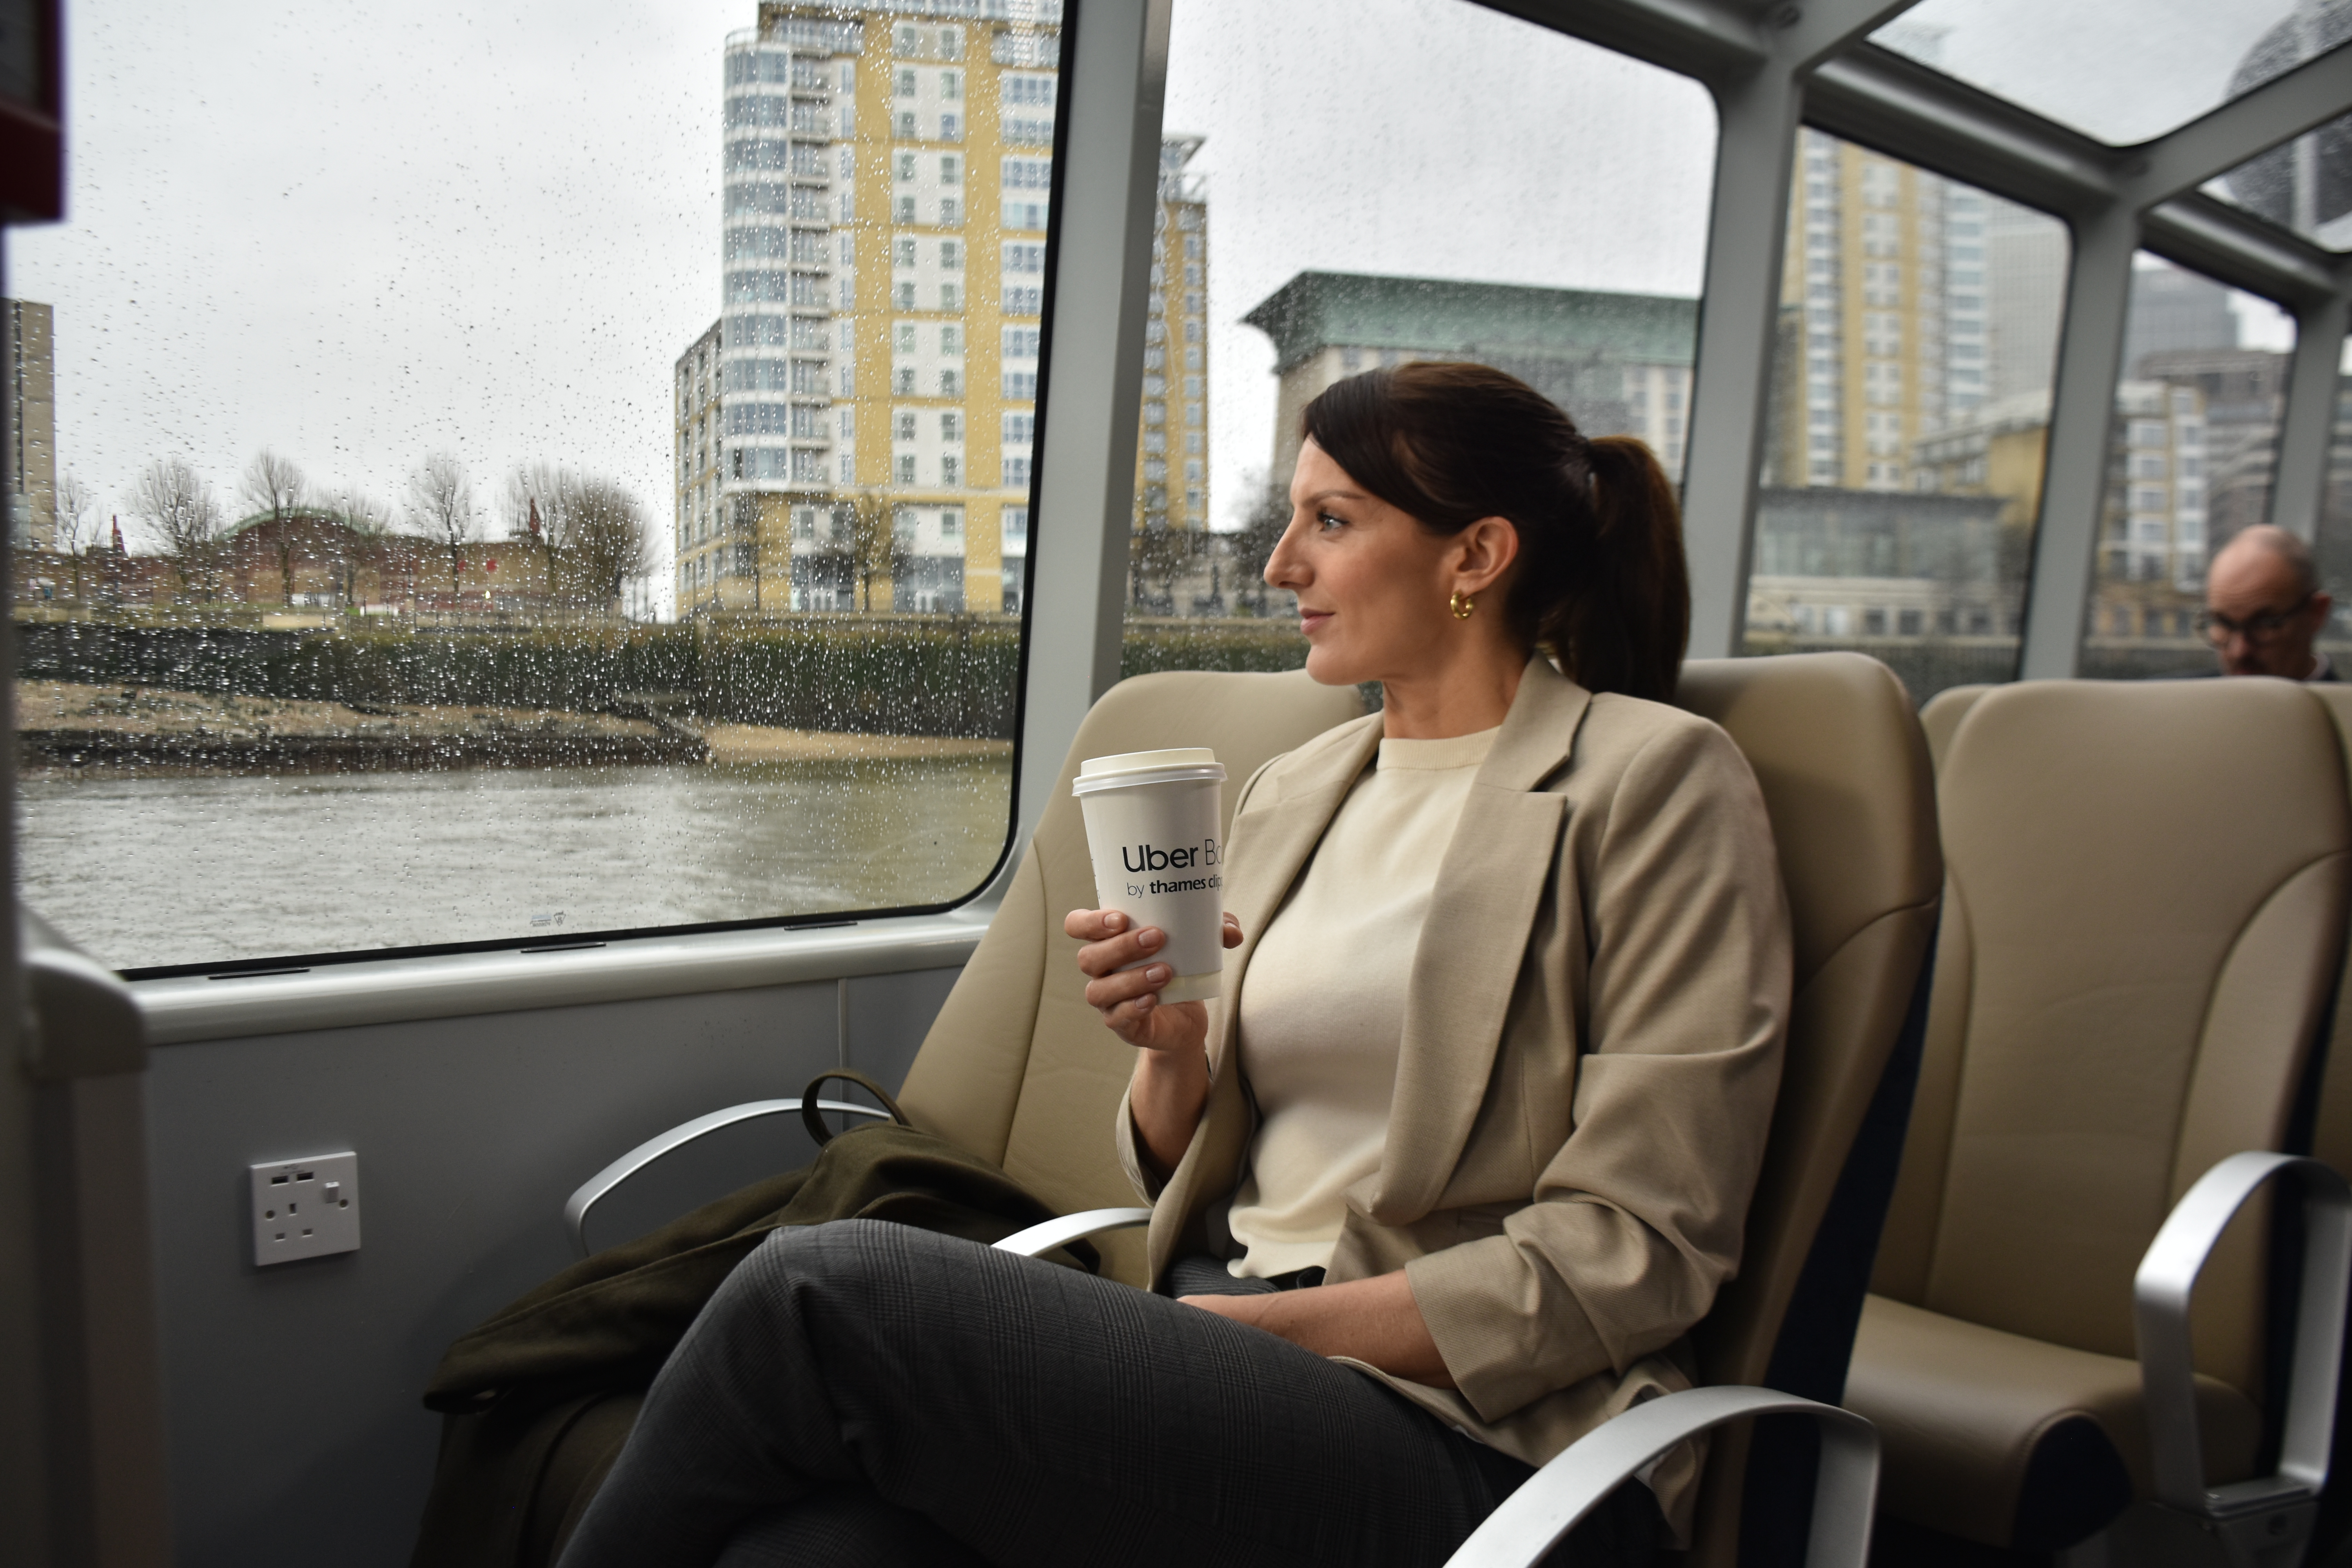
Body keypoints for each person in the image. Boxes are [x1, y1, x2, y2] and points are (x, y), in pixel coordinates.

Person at [554, 363, 1793, 1568]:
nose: (1280, 564)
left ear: (1475, 555)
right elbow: (1209, 1165)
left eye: (1331, 521)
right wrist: (1175, 1059)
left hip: (1484, 1436)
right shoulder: (1296, 788)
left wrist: (1245, 1335)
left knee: (819, 1294)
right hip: (1240, 1325)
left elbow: (1636, 1250)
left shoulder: (1655, 783)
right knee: (806, 1548)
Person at [2200, 524, 2337, 680]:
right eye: (2224, 624)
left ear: (2317, 612)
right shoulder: (2186, 693)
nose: (2239, 651)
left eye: (2264, 624)